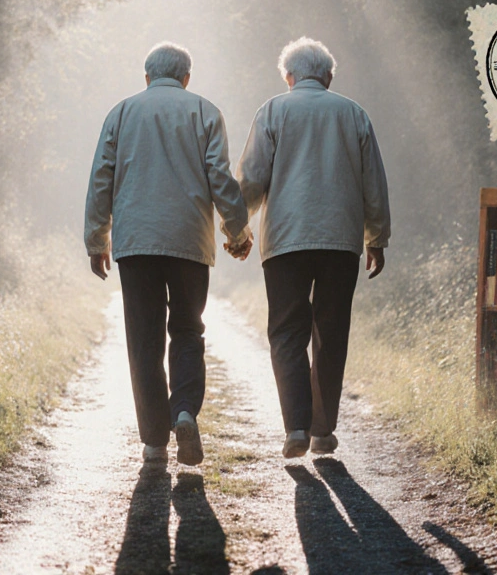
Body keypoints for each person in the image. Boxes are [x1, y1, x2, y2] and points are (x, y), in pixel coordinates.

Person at [85, 42, 253, 466]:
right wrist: (237, 231)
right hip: (189, 241)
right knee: (188, 330)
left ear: (146, 77)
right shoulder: (205, 112)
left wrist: (97, 240)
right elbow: (220, 178)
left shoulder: (121, 113)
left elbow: (101, 179)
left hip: (136, 243)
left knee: (144, 340)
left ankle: (155, 441)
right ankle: (184, 412)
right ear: (186, 78)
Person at [236, 37, 391, 458]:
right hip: (340, 242)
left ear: (288, 77)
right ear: (328, 77)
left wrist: (238, 228)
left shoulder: (272, 111)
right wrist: (376, 238)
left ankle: (295, 428)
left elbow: (251, 179)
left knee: (287, 332)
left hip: (285, 241)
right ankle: (323, 429)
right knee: (331, 332)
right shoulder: (353, 114)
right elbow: (373, 185)